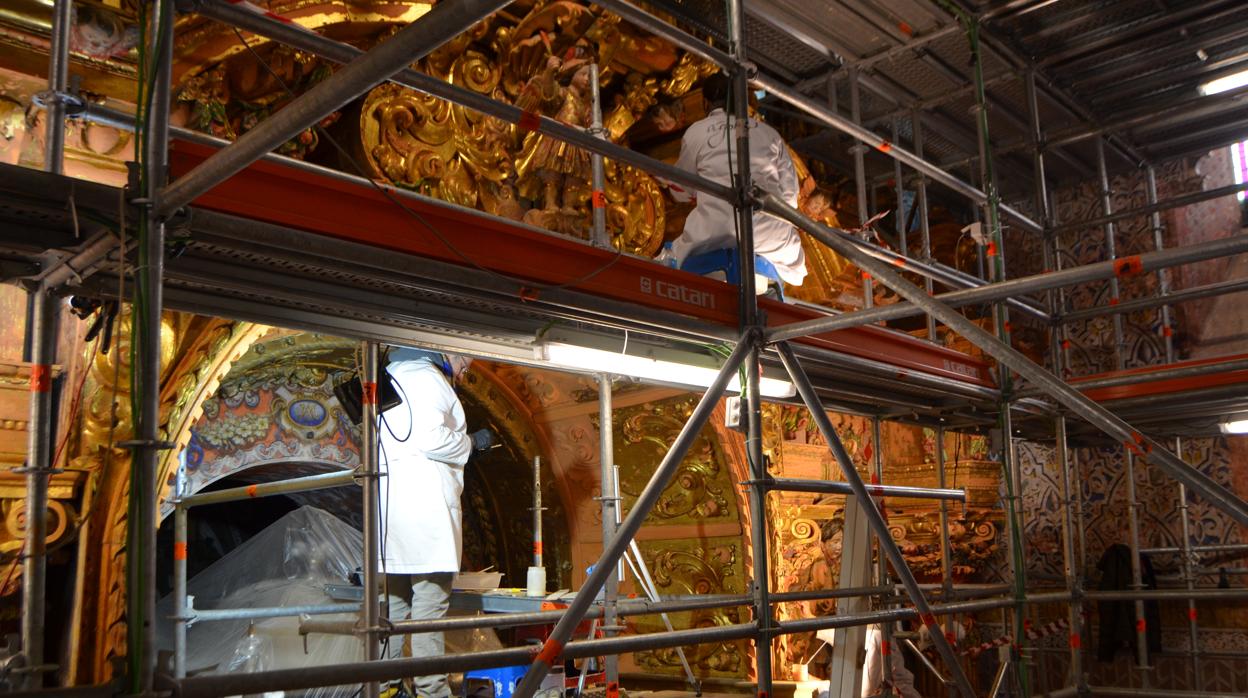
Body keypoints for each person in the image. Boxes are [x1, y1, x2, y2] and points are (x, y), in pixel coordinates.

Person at [378, 347, 494, 698]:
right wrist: (472, 443)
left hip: (395, 516)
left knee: (395, 607)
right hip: (427, 514)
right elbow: (430, 438)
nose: (462, 373)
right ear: (446, 352)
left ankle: (387, 688)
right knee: (430, 607)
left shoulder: (393, 377)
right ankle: (433, 692)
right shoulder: (428, 379)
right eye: (463, 364)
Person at [662, 72, 807, 289]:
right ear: (742, 100)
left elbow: (680, 189)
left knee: (669, 260)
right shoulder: (770, 133)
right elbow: (790, 199)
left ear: (705, 102)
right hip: (770, 234)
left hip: (714, 232)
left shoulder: (696, 132)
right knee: (797, 272)